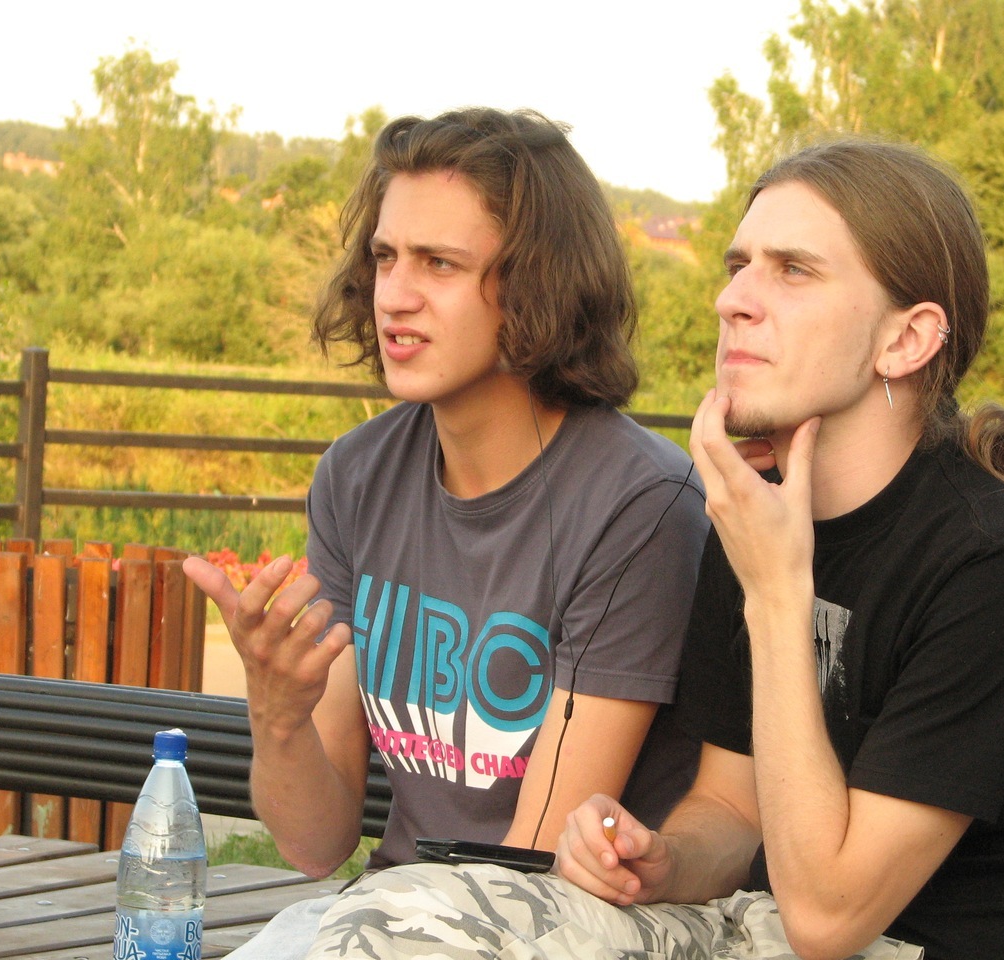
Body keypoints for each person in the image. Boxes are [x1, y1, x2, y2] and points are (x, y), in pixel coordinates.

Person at [299, 136, 1004, 960]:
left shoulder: (999, 564)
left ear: (906, 339)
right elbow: (731, 807)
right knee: (385, 925)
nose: (734, 300)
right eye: (738, 267)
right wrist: (660, 858)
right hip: (763, 934)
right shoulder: (760, 515)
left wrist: (776, 594)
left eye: (793, 271)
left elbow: (830, 917)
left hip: (907, 945)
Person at [183, 107, 708, 958]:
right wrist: (278, 716)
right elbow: (315, 845)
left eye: (440, 263)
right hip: (402, 914)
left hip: (574, 924)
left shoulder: (638, 505)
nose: (394, 293)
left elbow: (533, 867)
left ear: (538, 284)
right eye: (385, 256)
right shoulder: (358, 477)